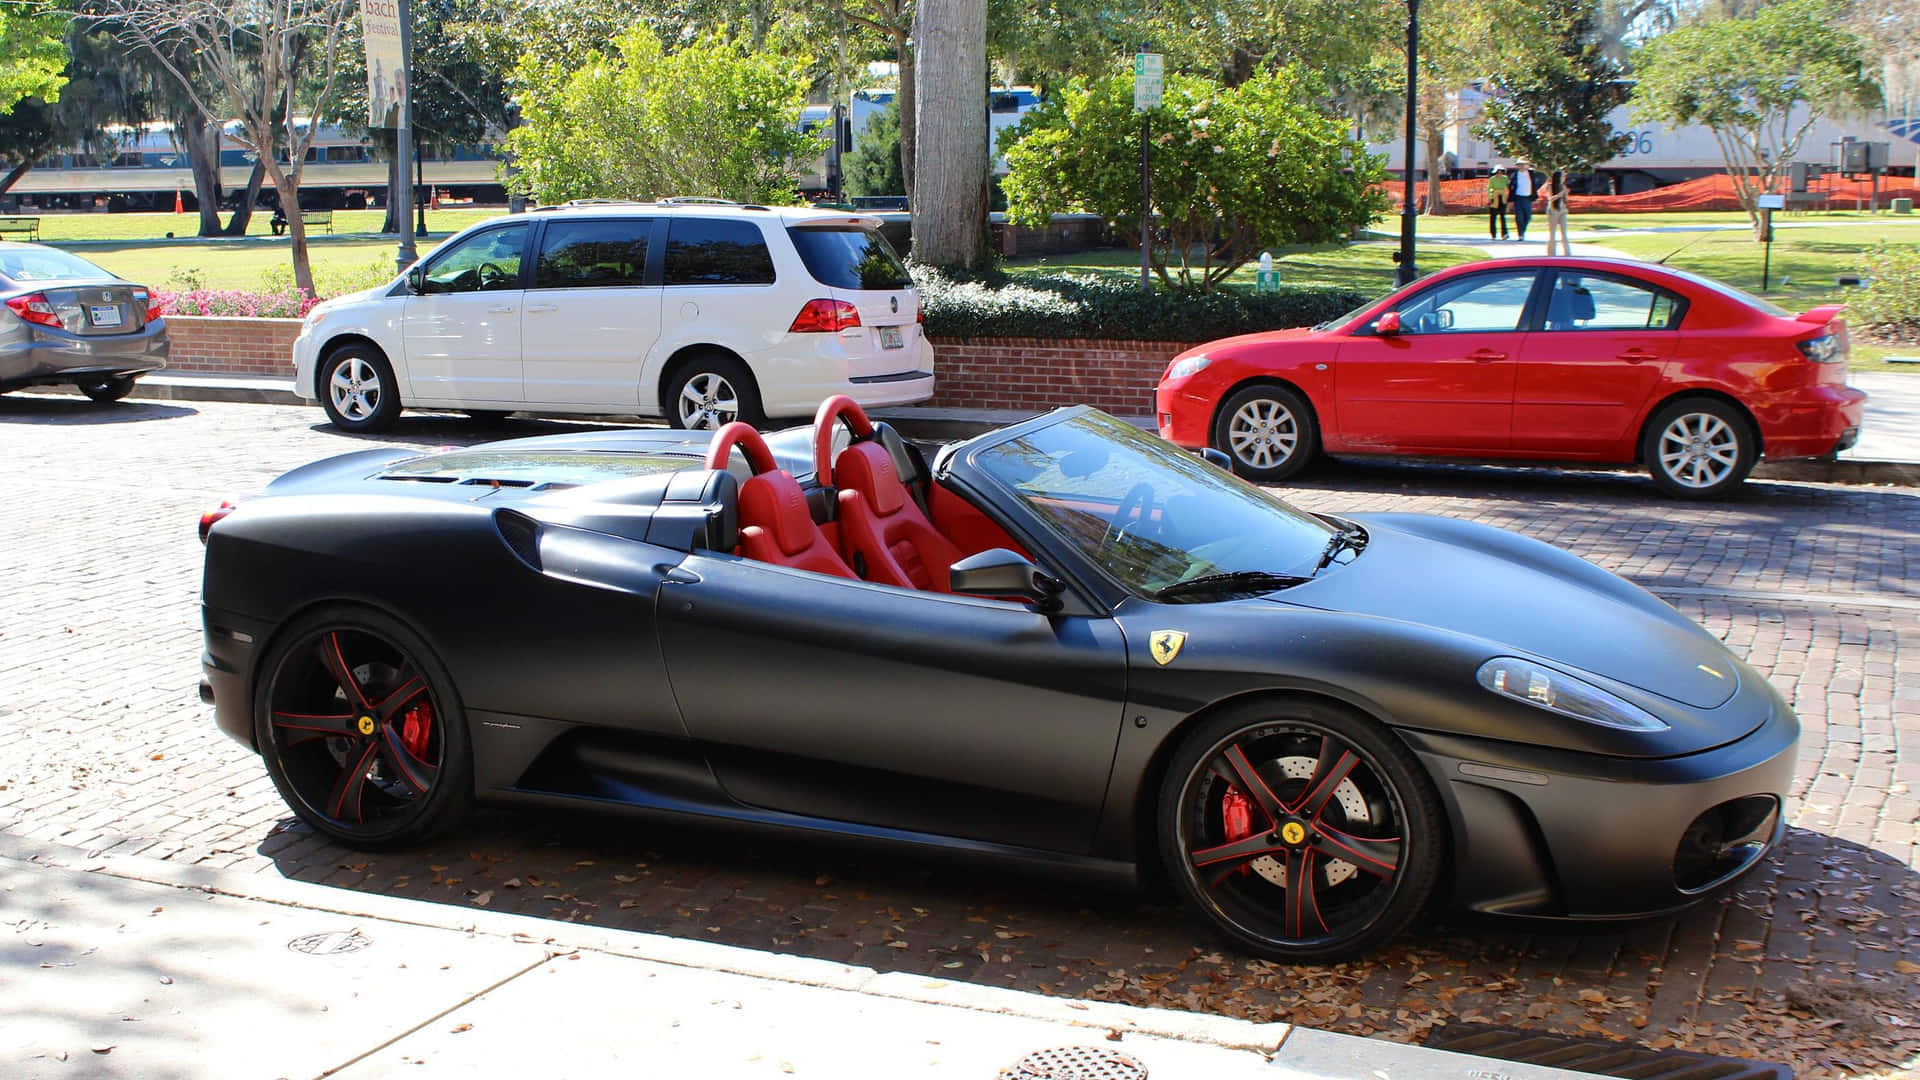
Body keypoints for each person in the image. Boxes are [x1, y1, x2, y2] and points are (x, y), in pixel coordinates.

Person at [1510, 161, 1536, 241]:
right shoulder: (1515, 175)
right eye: (1520, 165)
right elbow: (1511, 187)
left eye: (1523, 165)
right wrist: (1510, 200)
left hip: (1528, 198)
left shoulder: (1531, 173)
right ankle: (1520, 234)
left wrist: (1534, 197)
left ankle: (1523, 230)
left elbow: (1534, 185)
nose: (1522, 166)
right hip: (1518, 198)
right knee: (1519, 217)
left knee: (1528, 217)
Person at [1486, 166, 1510, 240]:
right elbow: (1489, 189)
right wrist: (1490, 198)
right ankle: (1493, 234)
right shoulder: (1492, 179)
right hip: (1495, 197)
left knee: (1502, 217)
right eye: (1498, 172)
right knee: (1493, 217)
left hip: (1502, 198)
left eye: (1501, 172)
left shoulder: (1505, 178)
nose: (1499, 173)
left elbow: (1508, 187)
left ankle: (1504, 234)